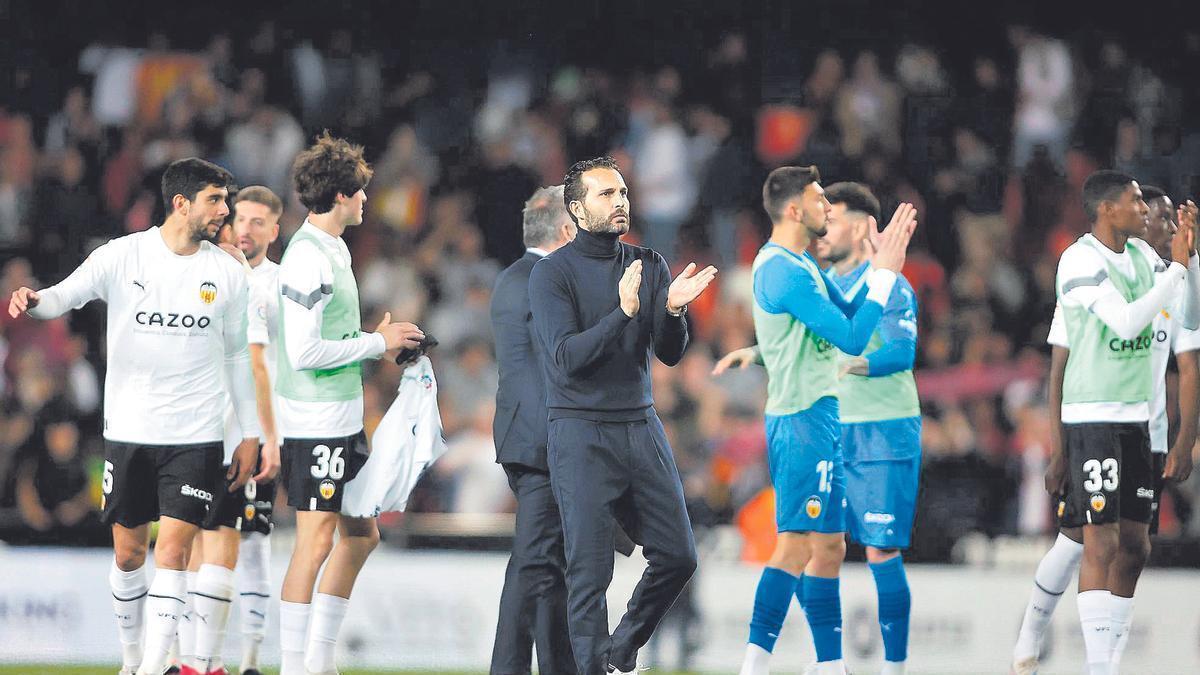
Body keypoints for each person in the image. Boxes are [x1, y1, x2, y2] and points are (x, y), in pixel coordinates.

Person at [8, 158, 262, 675]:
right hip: (129, 431)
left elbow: (238, 357)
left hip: (196, 435)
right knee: (128, 555)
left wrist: (250, 432)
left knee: (172, 551)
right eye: (216, 200)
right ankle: (131, 660)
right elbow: (65, 295)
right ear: (181, 203)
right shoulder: (124, 256)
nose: (225, 211)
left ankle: (152, 668)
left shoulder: (228, 272)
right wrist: (33, 301)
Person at [716, 166, 916, 675]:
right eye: (819, 199)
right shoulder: (780, 269)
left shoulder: (802, 264)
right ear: (792, 209)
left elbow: (848, 306)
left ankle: (830, 667)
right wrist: (887, 271)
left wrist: (878, 269)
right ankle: (754, 666)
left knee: (829, 545)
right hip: (802, 419)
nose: (827, 207)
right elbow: (851, 337)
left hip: (822, 415)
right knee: (794, 546)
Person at [527, 156, 717, 674]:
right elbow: (567, 358)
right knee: (589, 573)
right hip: (579, 431)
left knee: (679, 556)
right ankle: (594, 667)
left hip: (639, 425)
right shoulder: (551, 275)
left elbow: (671, 353)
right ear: (576, 208)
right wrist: (624, 313)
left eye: (623, 193)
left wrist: (673, 311)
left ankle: (621, 649)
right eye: (606, 195)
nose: (620, 203)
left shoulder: (649, 263)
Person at [1011, 186, 1200, 675]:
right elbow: (1062, 363)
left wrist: (1190, 263)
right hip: (1092, 419)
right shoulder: (1087, 266)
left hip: (1145, 428)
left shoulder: (1159, 274)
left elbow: (1191, 353)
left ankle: (1107, 660)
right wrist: (1058, 448)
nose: (1161, 224)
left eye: (1162, 217)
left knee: (1134, 547)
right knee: (1084, 541)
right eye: (1154, 214)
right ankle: (1036, 636)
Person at [275, 132, 424, 675]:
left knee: (361, 532)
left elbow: (330, 336)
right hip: (313, 418)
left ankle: (318, 659)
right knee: (314, 542)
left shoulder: (334, 248)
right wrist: (375, 344)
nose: (367, 199)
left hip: (341, 414)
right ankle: (296, 666)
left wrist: (375, 339)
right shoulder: (306, 259)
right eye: (360, 191)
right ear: (339, 195)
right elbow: (304, 350)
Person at [176, 186, 287, 675]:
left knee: (251, 542)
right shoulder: (219, 278)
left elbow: (275, 366)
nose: (245, 229)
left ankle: (244, 658)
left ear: (274, 230)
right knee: (204, 539)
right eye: (239, 219)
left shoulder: (281, 286)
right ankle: (199, 658)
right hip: (223, 430)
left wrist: (274, 432)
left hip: (255, 428)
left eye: (258, 222)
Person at [489, 185, 579, 674]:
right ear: (567, 231)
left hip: (525, 435)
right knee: (534, 563)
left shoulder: (512, 277)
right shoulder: (547, 282)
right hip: (545, 442)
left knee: (548, 567)